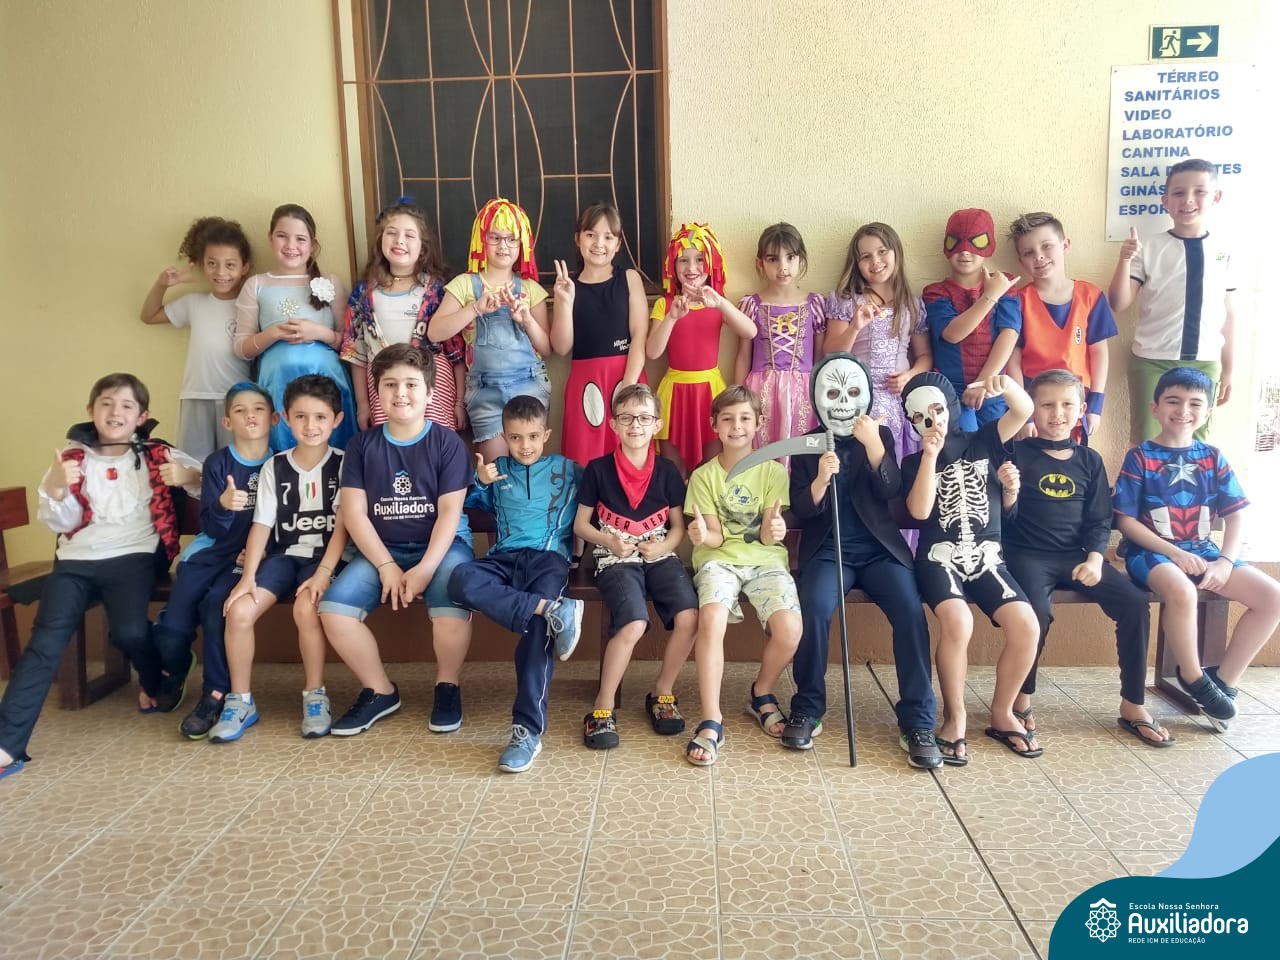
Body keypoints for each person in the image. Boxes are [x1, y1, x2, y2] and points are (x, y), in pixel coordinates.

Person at [0, 374, 201, 780]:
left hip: (135, 557)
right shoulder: (71, 459)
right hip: (75, 560)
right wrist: (57, 490)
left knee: (129, 631)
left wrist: (188, 478)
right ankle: (7, 744)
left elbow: (207, 481)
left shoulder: (157, 453)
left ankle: (156, 674)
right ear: (91, 411)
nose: (115, 412)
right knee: (45, 641)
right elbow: (62, 522)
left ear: (142, 416)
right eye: (106, 403)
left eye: (127, 405)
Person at [787, 353, 942, 767]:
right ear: (817, 397)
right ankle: (808, 706)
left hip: (879, 551)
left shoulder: (881, 434)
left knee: (910, 611)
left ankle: (918, 720)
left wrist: (873, 445)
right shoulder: (807, 444)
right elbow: (802, 508)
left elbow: (890, 489)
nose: (843, 402)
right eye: (833, 393)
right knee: (813, 608)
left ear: (867, 396)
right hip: (829, 551)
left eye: (853, 392)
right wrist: (820, 480)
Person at [1003, 370, 1169, 746]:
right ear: (1032, 409)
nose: (1057, 413)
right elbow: (1003, 519)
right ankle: (1021, 698)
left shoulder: (1089, 461)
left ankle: (1133, 703)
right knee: (1036, 613)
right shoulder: (1016, 453)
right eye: (1047, 404)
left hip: (1078, 556)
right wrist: (1009, 494)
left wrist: (1095, 559)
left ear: (1081, 410)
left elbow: (1099, 519)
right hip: (1026, 555)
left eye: (1067, 404)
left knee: (1133, 604)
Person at [317, 344, 475, 736]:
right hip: (380, 552)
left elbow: (449, 514)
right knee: (334, 610)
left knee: (452, 600)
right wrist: (386, 565)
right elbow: (354, 513)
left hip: (442, 548)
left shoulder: (448, 443)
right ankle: (380, 690)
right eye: (390, 384)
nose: (400, 393)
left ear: (430, 392)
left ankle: (447, 686)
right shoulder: (362, 445)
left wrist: (424, 569)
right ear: (377, 392)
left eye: (410, 384)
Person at [1113, 366, 1280, 731]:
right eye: (1173, 401)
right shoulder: (1140, 456)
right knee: (1182, 590)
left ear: (1207, 411)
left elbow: (1236, 515)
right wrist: (1174, 553)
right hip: (1150, 554)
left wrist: (1225, 561)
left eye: (1194, 403)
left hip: (1204, 552)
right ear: (1156, 408)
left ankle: (1223, 682)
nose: (1183, 410)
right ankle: (1192, 676)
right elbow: (1125, 521)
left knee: (1273, 597)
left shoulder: (1213, 457)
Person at [901, 372, 1040, 763]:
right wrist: (930, 457)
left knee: (1026, 625)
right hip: (939, 556)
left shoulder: (984, 441)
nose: (932, 421)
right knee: (959, 622)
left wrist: (1004, 385)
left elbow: (1023, 410)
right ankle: (955, 715)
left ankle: (1003, 711)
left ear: (951, 407)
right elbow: (919, 512)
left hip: (987, 556)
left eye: (937, 410)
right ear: (912, 423)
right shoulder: (914, 462)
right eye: (920, 417)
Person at [448, 396, 584, 772]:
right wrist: (479, 481)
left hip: (548, 561)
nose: (525, 446)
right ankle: (551, 609)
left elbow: (603, 490)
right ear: (504, 437)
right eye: (516, 437)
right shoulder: (497, 472)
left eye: (533, 437)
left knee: (538, 630)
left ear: (546, 435)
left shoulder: (568, 470)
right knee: (460, 578)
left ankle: (526, 732)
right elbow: (464, 501)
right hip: (504, 559)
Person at [210, 375, 348, 743]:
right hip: (285, 556)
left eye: (320, 417)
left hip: (326, 559)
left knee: (306, 609)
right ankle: (240, 701)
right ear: (285, 418)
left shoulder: (345, 464)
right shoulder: (276, 466)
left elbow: (344, 527)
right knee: (239, 610)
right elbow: (262, 525)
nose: (310, 426)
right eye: (300, 416)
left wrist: (324, 573)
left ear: (337, 420)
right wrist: (247, 578)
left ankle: (315, 695)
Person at [572, 384, 698, 749]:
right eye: (626, 418)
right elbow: (581, 525)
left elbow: (677, 529)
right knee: (634, 622)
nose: (635, 425)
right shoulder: (598, 469)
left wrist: (664, 546)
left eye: (644, 418)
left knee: (690, 617)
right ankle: (603, 706)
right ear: (613, 424)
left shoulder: (667, 471)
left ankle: (662, 692)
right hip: (614, 556)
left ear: (657, 424)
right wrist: (609, 541)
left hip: (659, 553)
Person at [148, 382, 276, 737]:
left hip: (246, 559)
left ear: (274, 418)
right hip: (208, 554)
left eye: (258, 409)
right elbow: (211, 526)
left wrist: (262, 551)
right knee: (173, 629)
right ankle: (175, 667)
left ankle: (215, 693)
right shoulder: (218, 463)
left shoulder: (281, 463)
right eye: (240, 410)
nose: (250, 416)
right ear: (227, 422)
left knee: (217, 606)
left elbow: (283, 524)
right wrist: (223, 505)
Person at [683, 385, 801, 765]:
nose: (736, 426)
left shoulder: (773, 472)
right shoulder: (703, 477)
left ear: (759, 423)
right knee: (712, 618)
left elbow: (767, 534)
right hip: (719, 560)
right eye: (728, 419)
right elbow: (716, 538)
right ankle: (711, 718)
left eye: (745, 418)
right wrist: (701, 535)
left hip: (765, 560)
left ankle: (761, 692)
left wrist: (776, 529)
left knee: (790, 630)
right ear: (714, 425)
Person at [1108, 159, 1235, 442]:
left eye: (1199, 191)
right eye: (1179, 192)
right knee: (1146, 441)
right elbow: (1118, 303)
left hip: (1205, 361)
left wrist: (1228, 369)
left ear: (1216, 197)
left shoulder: (1224, 251)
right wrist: (1124, 260)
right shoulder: (1150, 247)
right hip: (1152, 360)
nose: (1188, 200)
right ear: (1165, 201)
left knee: (1197, 444)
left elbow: (1228, 314)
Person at [428, 198, 553, 462]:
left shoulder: (531, 288)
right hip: (485, 391)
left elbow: (547, 348)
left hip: (529, 384)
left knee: (527, 465)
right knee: (497, 470)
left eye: (511, 239)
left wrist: (526, 319)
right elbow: (435, 332)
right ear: (481, 240)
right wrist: (474, 309)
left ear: (522, 244)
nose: (503, 245)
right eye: (494, 238)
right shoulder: (463, 284)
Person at [233, 203, 357, 451]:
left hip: (327, 384)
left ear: (313, 244)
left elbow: (351, 344)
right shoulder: (256, 285)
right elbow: (241, 348)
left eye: (300, 239)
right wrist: (273, 333)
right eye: (282, 236)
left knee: (332, 453)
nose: (291, 245)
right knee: (286, 452)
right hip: (278, 384)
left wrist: (319, 333)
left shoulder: (330, 282)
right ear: (270, 238)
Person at [340, 197, 467, 431]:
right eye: (391, 233)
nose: (399, 240)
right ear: (380, 240)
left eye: (409, 235)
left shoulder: (437, 291)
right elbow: (356, 354)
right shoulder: (363, 294)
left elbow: (456, 352)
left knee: (434, 443)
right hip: (384, 381)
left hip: (433, 383)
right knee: (392, 445)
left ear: (423, 247)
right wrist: (362, 406)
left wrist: (460, 402)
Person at [139, 216, 254, 462]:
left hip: (237, 400)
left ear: (245, 267)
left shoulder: (251, 307)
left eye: (230, 265)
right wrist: (162, 284)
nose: (221, 272)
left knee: (236, 465)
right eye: (212, 263)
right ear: (202, 264)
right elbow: (149, 315)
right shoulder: (194, 303)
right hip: (196, 396)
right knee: (193, 468)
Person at [647, 223, 755, 478]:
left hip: (711, 393)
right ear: (673, 266)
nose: (691, 267)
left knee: (711, 470)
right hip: (674, 394)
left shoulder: (717, 303)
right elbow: (652, 352)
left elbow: (750, 331)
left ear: (711, 264)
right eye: (683, 260)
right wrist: (672, 318)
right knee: (674, 472)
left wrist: (720, 303)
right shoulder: (665, 304)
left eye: (699, 259)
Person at [823, 221, 932, 465]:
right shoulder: (847, 300)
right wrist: (855, 326)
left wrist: (910, 375)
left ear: (896, 253)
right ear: (856, 263)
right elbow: (830, 354)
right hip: (857, 399)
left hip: (898, 399)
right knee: (862, 465)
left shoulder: (911, 305)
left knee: (894, 466)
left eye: (882, 251)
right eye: (866, 256)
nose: (875, 261)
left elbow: (924, 356)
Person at [550, 202, 649, 466]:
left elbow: (640, 334)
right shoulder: (568, 286)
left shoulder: (629, 278)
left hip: (626, 373)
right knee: (585, 460)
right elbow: (561, 347)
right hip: (585, 381)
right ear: (578, 239)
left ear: (618, 244)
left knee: (630, 456)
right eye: (591, 234)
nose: (599, 243)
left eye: (608, 237)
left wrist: (628, 386)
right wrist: (564, 302)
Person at [1007, 212, 1117, 438]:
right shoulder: (1017, 302)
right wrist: (1024, 413)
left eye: (1047, 246)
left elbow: (1099, 353)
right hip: (1035, 404)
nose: (1039, 256)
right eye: (1029, 252)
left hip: (1075, 404)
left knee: (1071, 458)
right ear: (1021, 260)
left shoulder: (1090, 296)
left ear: (1065, 245)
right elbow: (1012, 361)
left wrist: (1095, 405)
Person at [922, 208, 1022, 432]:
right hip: (950, 393)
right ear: (946, 246)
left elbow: (1009, 334)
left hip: (992, 389)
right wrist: (990, 296)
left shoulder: (1005, 285)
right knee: (962, 450)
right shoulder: (936, 292)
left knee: (992, 448)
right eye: (956, 242)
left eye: (976, 241)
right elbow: (952, 333)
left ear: (990, 244)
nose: (965, 251)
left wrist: (983, 383)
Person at [732, 222, 826, 450]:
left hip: (803, 393)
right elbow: (743, 355)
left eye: (790, 257)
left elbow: (820, 356)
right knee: (761, 450)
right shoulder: (751, 304)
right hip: (761, 390)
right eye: (773, 259)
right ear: (760, 263)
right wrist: (737, 399)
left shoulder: (814, 304)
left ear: (801, 259)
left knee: (800, 452)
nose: (783, 267)